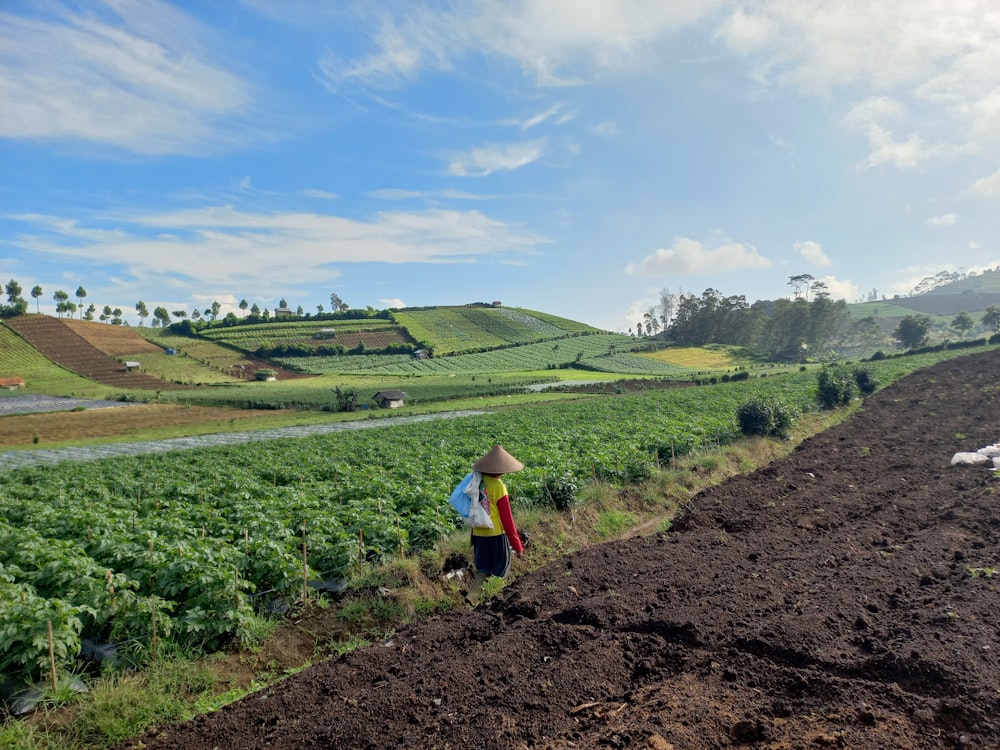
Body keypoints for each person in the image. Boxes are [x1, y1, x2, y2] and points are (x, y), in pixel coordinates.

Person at [466, 444, 525, 604]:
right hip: (496, 535)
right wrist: (517, 545)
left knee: (483, 569)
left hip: (478, 535)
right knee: (501, 569)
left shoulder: (476, 481)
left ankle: (472, 596)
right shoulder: (498, 487)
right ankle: (493, 602)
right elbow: (508, 520)